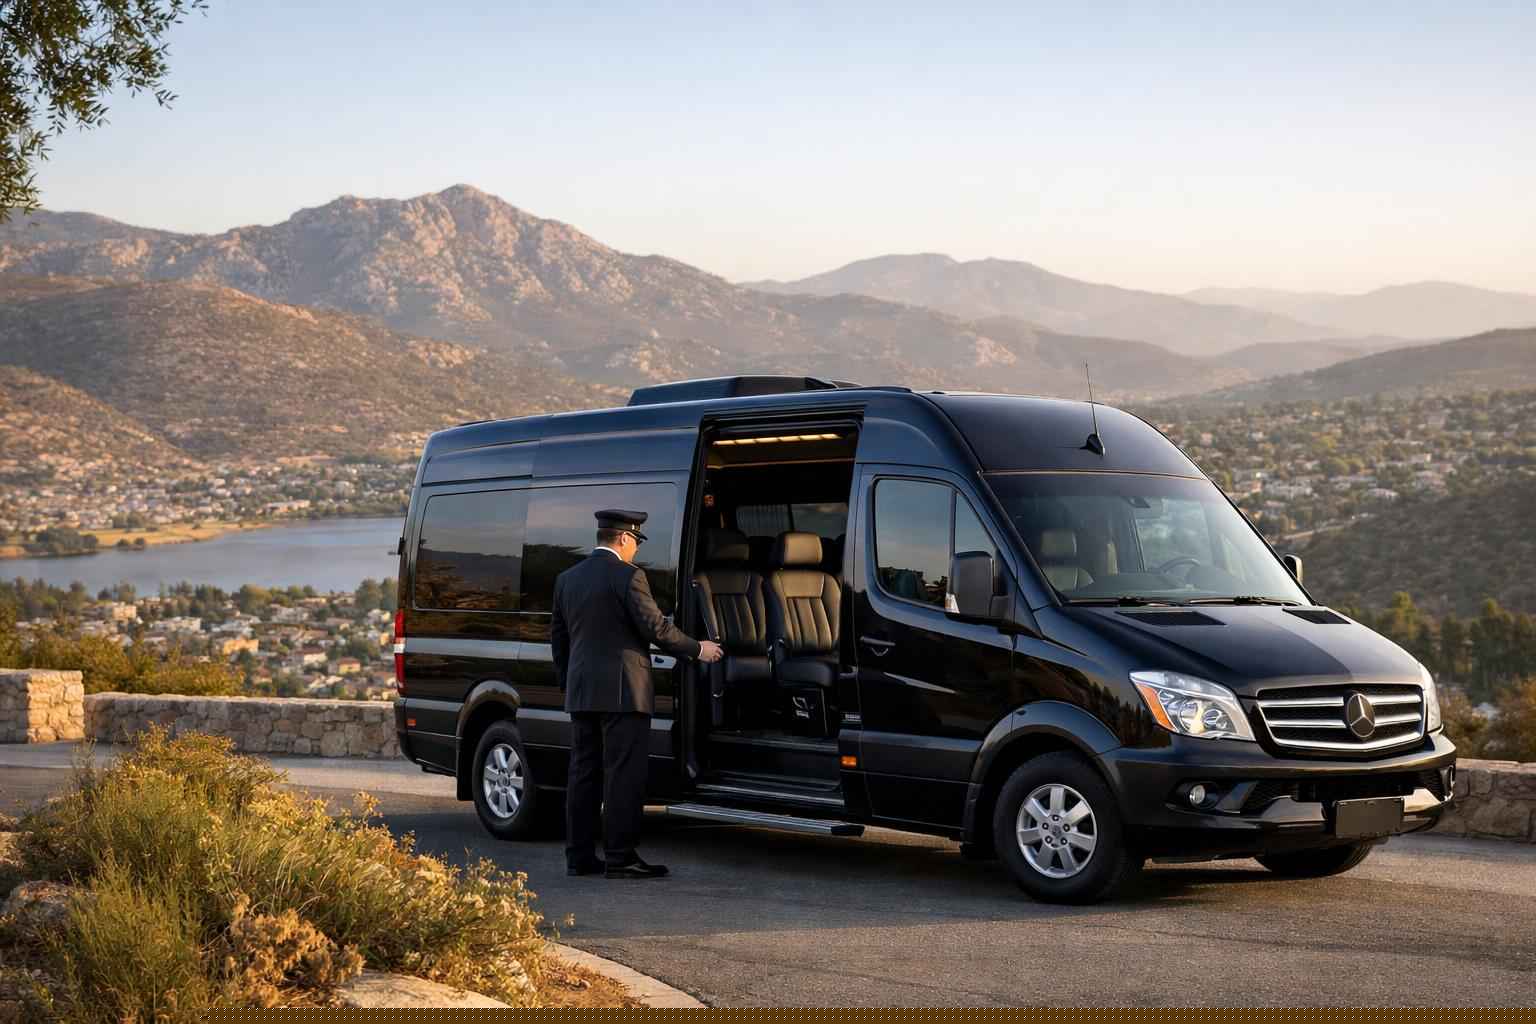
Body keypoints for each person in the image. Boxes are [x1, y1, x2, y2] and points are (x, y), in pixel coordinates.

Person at [551, 508, 723, 879]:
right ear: (625, 539)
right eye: (636, 544)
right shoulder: (629, 577)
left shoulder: (567, 579)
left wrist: (571, 684)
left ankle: (579, 857)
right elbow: (656, 629)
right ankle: (620, 857)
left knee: (583, 775)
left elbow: (559, 639)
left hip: (582, 692)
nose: (636, 553)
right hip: (624, 692)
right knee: (622, 775)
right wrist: (698, 649)